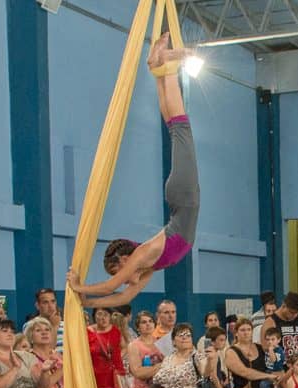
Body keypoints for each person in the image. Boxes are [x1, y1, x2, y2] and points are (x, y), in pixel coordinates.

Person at [67, 34, 201, 307]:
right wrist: (85, 303)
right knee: (175, 128)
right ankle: (158, 67)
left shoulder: (141, 255)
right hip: (182, 199)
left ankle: (168, 66)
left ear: (123, 259)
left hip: (183, 198)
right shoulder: (149, 266)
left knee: (180, 128)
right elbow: (124, 296)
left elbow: (112, 286)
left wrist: (80, 286)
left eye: (120, 271)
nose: (126, 278)